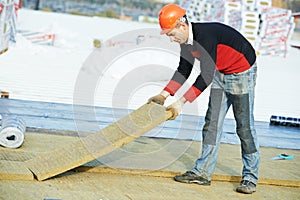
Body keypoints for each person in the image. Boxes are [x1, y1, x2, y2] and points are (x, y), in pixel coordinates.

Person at [148, 4, 260, 194]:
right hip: (220, 71)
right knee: (212, 124)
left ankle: (250, 177)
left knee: (244, 127)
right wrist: (164, 95)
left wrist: (181, 103)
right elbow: (184, 69)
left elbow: (206, 75)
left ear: (182, 26)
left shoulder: (205, 37)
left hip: (241, 73)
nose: (171, 39)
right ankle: (202, 173)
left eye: (171, 34)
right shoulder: (186, 43)